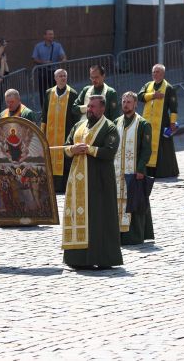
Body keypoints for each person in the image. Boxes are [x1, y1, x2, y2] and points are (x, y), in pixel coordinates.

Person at [63, 95, 122, 269]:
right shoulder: (78, 126)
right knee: (78, 218)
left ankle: (102, 258)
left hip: (100, 181)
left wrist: (89, 150)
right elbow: (66, 146)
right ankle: (77, 259)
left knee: (99, 219)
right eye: (88, 106)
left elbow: (109, 152)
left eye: (93, 107)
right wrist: (72, 149)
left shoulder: (109, 128)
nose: (89, 109)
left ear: (102, 109)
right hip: (77, 181)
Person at [114, 91, 153, 245]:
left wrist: (141, 169)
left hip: (134, 171)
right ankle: (118, 234)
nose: (126, 104)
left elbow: (146, 149)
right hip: (117, 171)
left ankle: (134, 235)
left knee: (135, 202)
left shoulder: (143, 124)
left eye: (129, 102)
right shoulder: (116, 122)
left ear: (135, 104)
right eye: (124, 101)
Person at [41, 69, 79, 193]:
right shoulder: (49, 93)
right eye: (60, 76)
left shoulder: (72, 93)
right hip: (50, 135)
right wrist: (42, 132)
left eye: (64, 76)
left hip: (66, 133)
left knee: (65, 159)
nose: (63, 78)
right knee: (50, 159)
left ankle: (64, 187)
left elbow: (76, 117)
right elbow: (44, 113)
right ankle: (51, 186)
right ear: (55, 78)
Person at [138, 64, 179, 178]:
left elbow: (174, 108)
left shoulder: (169, 88)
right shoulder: (148, 85)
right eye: (153, 72)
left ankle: (164, 171)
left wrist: (172, 123)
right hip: (147, 122)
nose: (155, 74)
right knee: (146, 146)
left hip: (163, 122)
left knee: (163, 149)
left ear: (163, 74)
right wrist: (153, 95)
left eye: (158, 72)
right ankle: (148, 171)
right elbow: (139, 96)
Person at [33, 29, 67, 105]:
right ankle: (44, 109)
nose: (52, 36)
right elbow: (34, 59)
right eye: (50, 34)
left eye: (52, 34)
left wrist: (64, 59)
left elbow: (62, 55)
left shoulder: (57, 45)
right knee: (43, 92)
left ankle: (56, 107)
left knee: (56, 90)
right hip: (42, 72)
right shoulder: (38, 46)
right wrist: (44, 62)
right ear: (44, 36)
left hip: (54, 72)